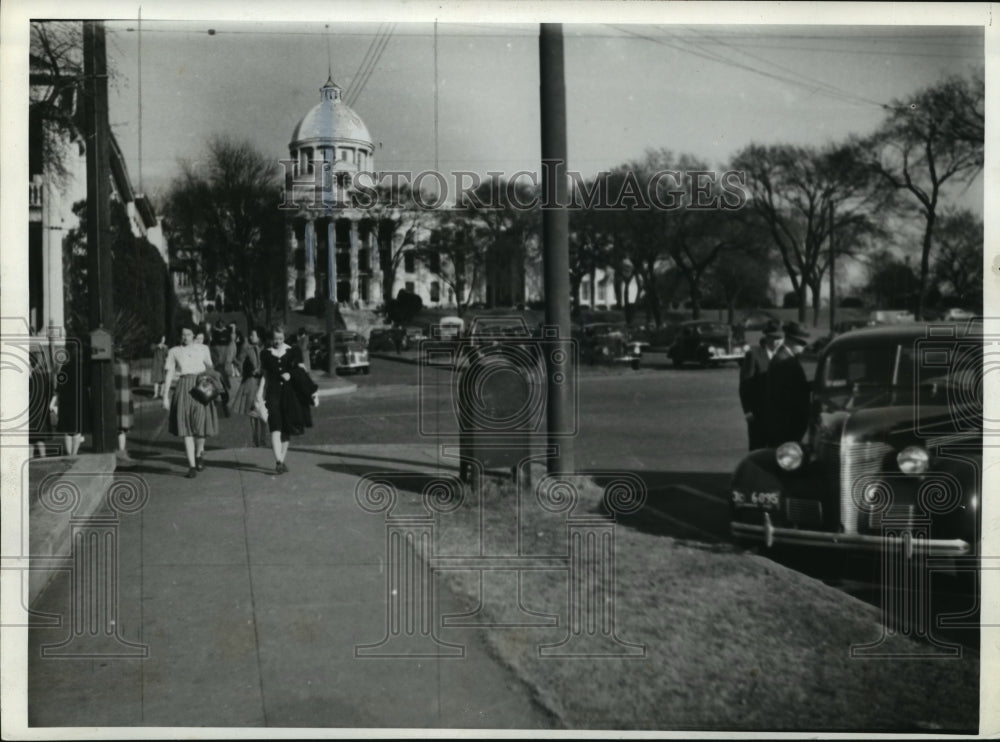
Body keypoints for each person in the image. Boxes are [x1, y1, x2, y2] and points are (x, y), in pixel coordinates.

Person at [163, 326, 222, 479]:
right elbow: (170, 372)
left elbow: (210, 367)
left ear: (194, 335)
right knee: (186, 427)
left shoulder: (202, 349)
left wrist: (209, 380)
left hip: (200, 385)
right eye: (183, 334)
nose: (185, 337)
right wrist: (165, 395)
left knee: (201, 427)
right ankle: (191, 466)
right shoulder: (174, 351)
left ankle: (199, 453)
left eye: (188, 334)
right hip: (183, 387)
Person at [256, 325, 316, 474]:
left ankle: (281, 461)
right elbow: (265, 374)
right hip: (273, 393)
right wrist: (259, 391)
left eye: (281, 338)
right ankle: (278, 461)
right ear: (271, 339)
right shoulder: (265, 354)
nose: (278, 341)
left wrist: (293, 373)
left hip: (290, 393)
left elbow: (302, 370)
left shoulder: (293, 351)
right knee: (275, 426)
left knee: (287, 428)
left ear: (285, 337)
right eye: (275, 339)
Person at [763, 322, 812, 447]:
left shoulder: (786, 358)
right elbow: (786, 394)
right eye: (801, 343)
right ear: (790, 340)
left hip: (787, 421)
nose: (803, 347)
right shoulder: (783, 361)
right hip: (786, 423)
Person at [738, 319, 784, 451]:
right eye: (774, 338)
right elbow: (745, 386)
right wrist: (747, 412)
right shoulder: (754, 355)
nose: (777, 342)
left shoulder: (783, 356)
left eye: (779, 338)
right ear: (767, 337)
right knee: (757, 449)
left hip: (777, 416)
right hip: (757, 414)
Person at [229, 326, 269, 448]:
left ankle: (263, 438)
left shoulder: (266, 349)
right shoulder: (246, 349)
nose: (251, 337)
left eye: (253, 335)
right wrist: (247, 370)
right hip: (251, 382)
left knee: (263, 411)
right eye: (251, 335)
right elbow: (237, 361)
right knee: (252, 411)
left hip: (263, 382)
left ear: (259, 337)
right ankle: (255, 439)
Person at [55, 338, 88, 456]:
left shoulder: (65, 367)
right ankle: (74, 453)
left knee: (67, 430)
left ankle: (69, 454)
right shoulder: (81, 366)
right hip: (79, 401)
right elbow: (87, 382)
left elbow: (59, 383)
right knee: (77, 429)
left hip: (66, 401)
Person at [113, 345, 137, 466]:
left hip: (112, 398)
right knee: (122, 427)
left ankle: (115, 452)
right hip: (124, 399)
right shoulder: (125, 366)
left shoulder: (109, 366)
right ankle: (121, 451)